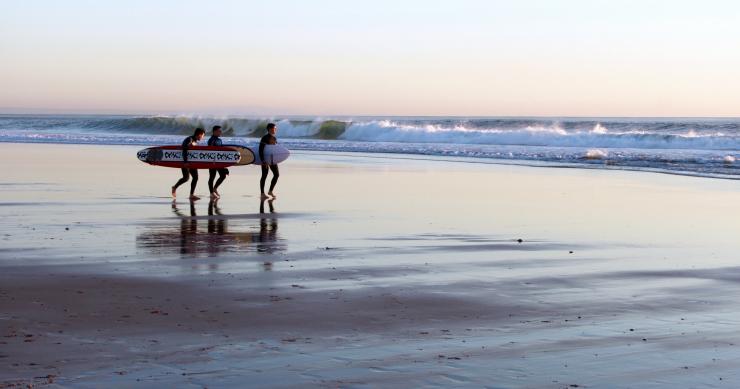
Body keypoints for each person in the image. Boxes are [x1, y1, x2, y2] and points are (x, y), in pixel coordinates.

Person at [172, 128, 205, 200]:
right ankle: (174, 187)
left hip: (192, 162)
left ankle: (191, 195)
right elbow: (184, 149)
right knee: (186, 178)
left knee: (195, 177)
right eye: (203, 135)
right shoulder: (189, 139)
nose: (203, 137)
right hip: (184, 161)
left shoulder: (195, 141)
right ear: (199, 134)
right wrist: (185, 161)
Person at [207, 125, 229, 199]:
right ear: (214, 131)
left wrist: (224, 165)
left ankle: (215, 188)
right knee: (212, 177)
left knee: (223, 175)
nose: (221, 132)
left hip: (219, 161)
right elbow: (210, 151)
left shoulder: (220, 140)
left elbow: (222, 152)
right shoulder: (211, 140)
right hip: (212, 161)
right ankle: (211, 193)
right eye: (219, 131)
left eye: (221, 131)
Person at [259, 123, 280, 199]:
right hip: (265, 159)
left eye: (275, 128)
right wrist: (263, 160)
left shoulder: (274, 138)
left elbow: (275, 150)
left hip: (272, 160)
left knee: (276, 174)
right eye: (274, 128)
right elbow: (260, 150)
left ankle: (270, 191)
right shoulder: (265, 138)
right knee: (264, 176)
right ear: (270, 129)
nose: (275, 130)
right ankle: (262, 193)